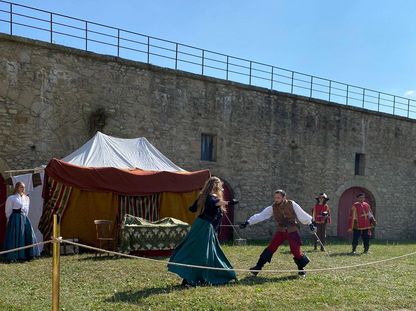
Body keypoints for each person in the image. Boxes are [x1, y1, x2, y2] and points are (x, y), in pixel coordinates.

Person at [168, 177, 237, 286]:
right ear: (215, 186)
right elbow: (215, 203)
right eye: (219, 185)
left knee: (208, 253)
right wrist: (229, 202)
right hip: (204, 227)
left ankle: (199, 277)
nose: (221, 187)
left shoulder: (203, 196)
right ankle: (192, 279)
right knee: (201, 253)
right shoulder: (210, 198)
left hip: (201, 226)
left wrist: (198, 206)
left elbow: (193, 208)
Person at [240, 189, 316, 276]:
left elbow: (301, 214)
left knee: (295, 251)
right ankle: (258, 267)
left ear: (284, 197)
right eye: (275, 197)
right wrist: (248, 222)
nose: (276, 199)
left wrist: (310, 223)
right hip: (281, 231)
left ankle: (301, 269)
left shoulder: (292, 204)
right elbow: (261, 215)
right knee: (271, 248)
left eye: (278, 197)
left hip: (292, 230)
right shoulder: (273, 207)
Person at [3, 182, 40, 262]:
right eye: (21, 187)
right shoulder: (11, 198)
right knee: (15, 236)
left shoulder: (26, 198)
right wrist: (10, 219)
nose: (23, 189)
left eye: (24, 187)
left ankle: (28, 255)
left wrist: (24, 217)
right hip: (15, 219)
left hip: (24, 218)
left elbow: (27, 210)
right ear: (17, 188)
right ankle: (14, 256)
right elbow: (8, 210)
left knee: (27, 234)